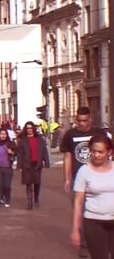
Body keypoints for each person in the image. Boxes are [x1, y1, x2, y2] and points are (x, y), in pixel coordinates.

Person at [60, 106, 106, 258]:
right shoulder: (70, 135)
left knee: (102, 210)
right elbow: (68, 157)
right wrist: (67, 178)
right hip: (78, 180)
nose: (81, 123)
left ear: (90, 120)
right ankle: (85, 245)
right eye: (78, 120)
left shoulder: (99, 134)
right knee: (81, 213)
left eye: (84, 121)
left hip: (100, 178)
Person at [70, 133, 114, 258]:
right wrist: (75, 229)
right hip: (94, 223)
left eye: (100, 152)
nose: (96, 155)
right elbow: (78, 202)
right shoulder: (84, 171)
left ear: (109, 152)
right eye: (93, 151)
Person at [16, 121, 50, 210]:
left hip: (37, 164)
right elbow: (19, 154)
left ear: (33, 129)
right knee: (28, 183)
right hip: (27, 164)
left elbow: (44, 150)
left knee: (37, 183)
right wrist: (19, 166)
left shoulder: (39, 138)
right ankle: (29, 202)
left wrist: (46, 162)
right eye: (27, 128)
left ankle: (36, 199)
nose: (29, 130)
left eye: (31, 128)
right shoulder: (23, 140)